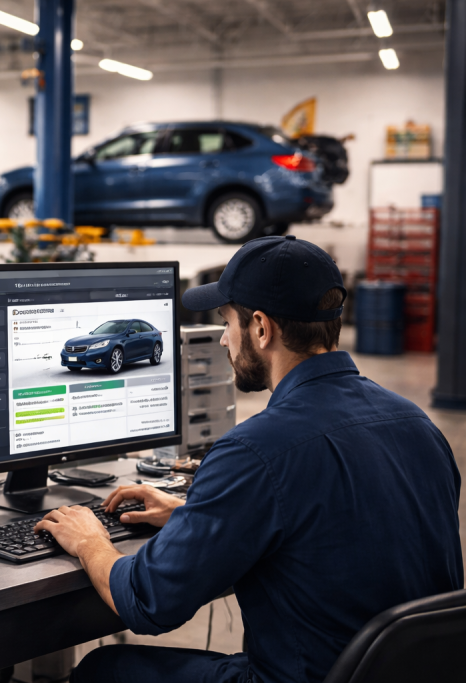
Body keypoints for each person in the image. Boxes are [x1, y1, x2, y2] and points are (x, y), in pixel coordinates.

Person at [35, 235, 463, 683]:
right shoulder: (417, 424)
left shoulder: (255, 450)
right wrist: (194, 513)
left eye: (226, 321)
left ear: (261, 328)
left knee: (106, 670)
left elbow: (148, 602)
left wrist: (89, 540)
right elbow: (348, 523)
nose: (223, 338)